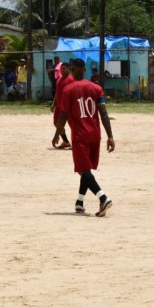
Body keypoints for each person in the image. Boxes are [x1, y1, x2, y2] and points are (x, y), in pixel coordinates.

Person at [54, 58, 115, 217]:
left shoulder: (68, 90)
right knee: (85, 170)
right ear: (85, 69)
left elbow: (63, 115)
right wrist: (110, 136)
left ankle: (103, 197)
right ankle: (80, 202)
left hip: (80, 136)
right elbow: (103, 113)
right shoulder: (96, 88)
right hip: (95, 135)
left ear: (72, 68)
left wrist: (56, 134)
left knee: (82, 170)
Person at [50, 62, 73, 149]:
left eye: (64, 68)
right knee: (57, 123)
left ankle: (76, 143)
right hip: (59, 107)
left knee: (73, 125)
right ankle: (66, 142)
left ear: (69, 69)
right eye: (61, 69)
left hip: (69, 108)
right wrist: (53, 104)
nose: (62, 70)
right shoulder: (59, 80)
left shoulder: (71, 79)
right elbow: (57, 93)